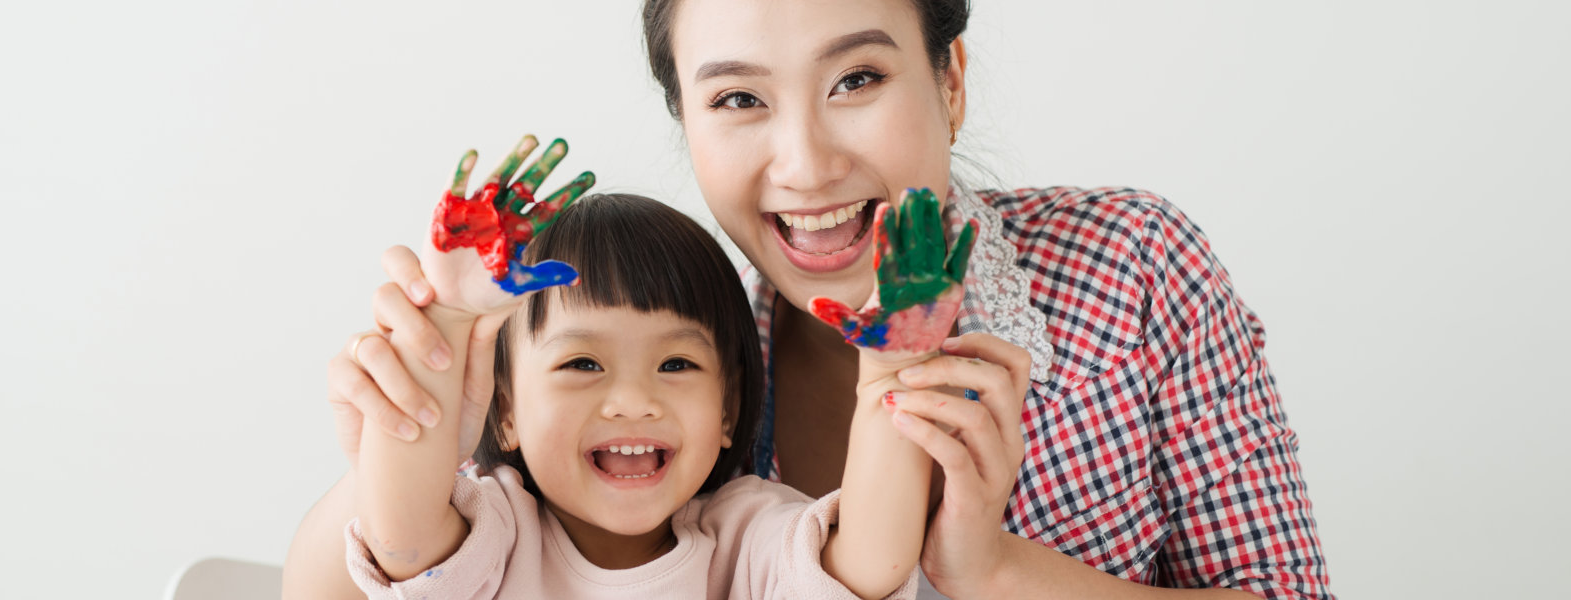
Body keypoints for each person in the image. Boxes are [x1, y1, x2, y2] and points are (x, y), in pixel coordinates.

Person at [291, 1, 1332, 598]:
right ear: (687, 124)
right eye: (739, 99)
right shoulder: (659, 354)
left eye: (856, 81)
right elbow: (375, 573)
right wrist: (412, 395)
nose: (805, 162)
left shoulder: (1133, 268)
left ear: (950, 79)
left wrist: (995, 572)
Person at [335, 143, 987, 598]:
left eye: (676, 362)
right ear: (505, 409)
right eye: (582, 362)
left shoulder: (743, 538)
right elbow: (403, 542)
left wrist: (888, 374)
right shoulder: (498, 531)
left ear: (729, 408)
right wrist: (445, 320)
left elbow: (871, 567)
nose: (632, 399)